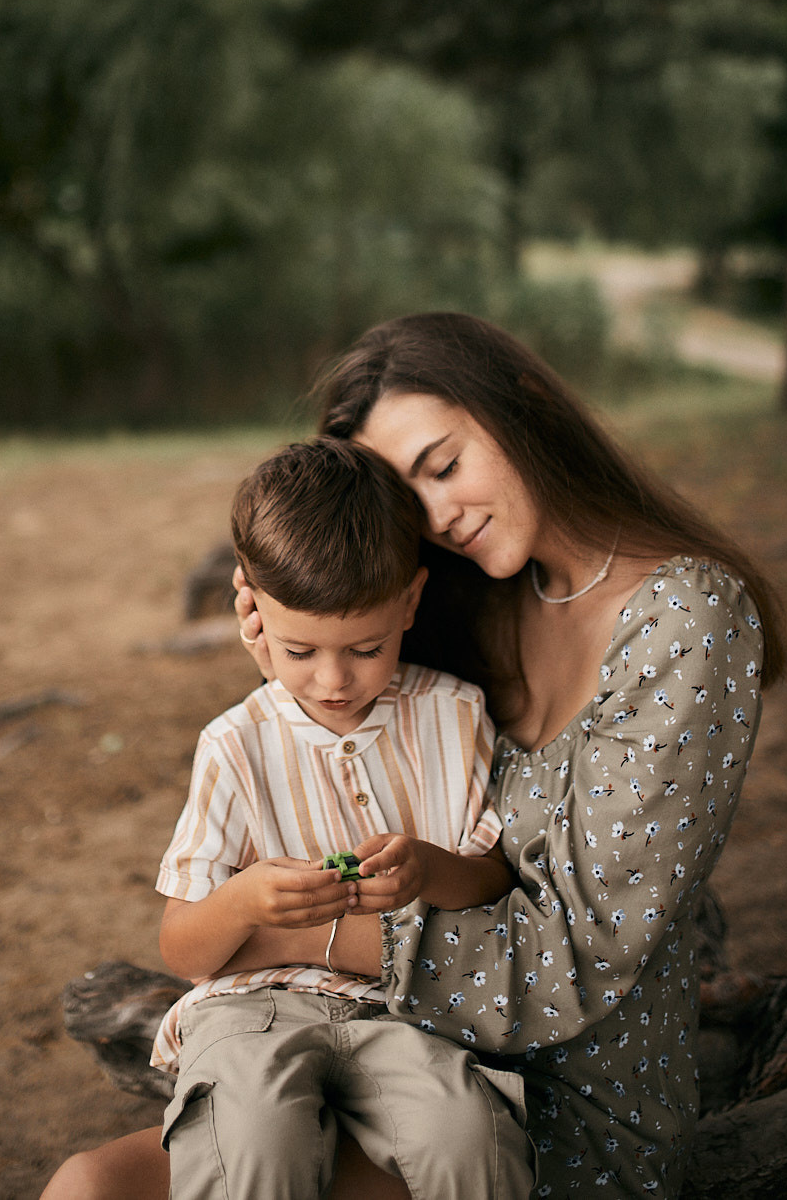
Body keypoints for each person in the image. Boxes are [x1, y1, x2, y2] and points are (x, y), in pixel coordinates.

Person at [40, 312, 787, 1200]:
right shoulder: (477, 598)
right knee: (86, 1185)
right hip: (395, 1043)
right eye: (406, 499)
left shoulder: (688, 620)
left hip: (557, 1102)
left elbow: (574, 962)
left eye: (444, 464)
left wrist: (284, 933)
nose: (437, 517)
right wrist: (289, 664)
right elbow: (358, 730)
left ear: (525, 405)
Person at [152, 437, 533, 1200]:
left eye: (366, 648)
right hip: (251, 1009)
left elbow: (492, 879)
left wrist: (428, 869)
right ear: (251, 608)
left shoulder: (454, 716)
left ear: (411, 603)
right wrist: (244, 900)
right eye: (299, 651)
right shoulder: (235, 745)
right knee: (252, 1137)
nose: (333, 680)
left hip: (405, 1012)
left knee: (469, 1135)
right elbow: (180, 945)